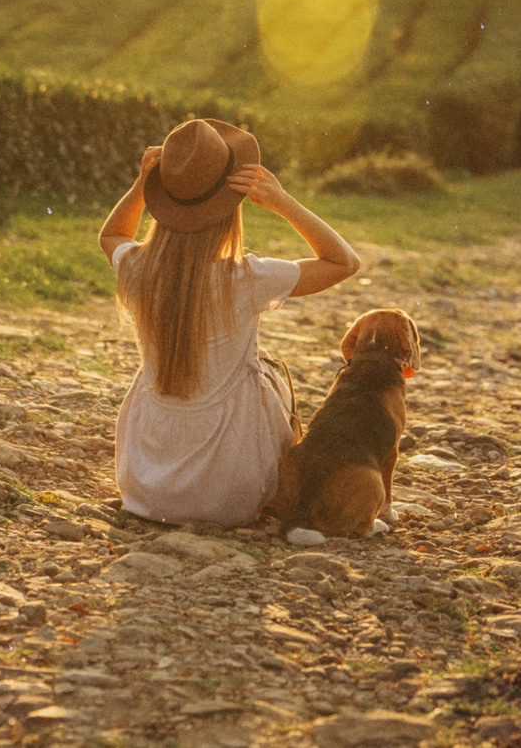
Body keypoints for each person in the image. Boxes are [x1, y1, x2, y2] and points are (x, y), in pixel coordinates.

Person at [97, 117, 361, 526]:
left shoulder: (137, 267)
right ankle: (287, 488)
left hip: (145, 489)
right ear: (229, 208)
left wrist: (139, 188)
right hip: (229, 495)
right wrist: (283, 202)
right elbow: (344, 262)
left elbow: (111, 235)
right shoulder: (246, 278)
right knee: (267, 369)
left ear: (162, 201)